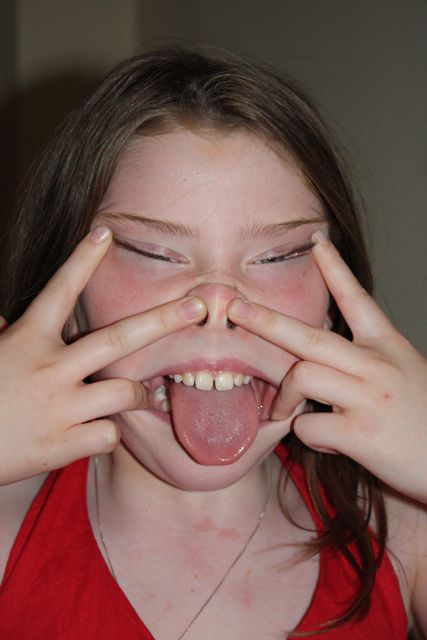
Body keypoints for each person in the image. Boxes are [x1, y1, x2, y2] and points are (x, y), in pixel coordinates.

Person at [0, 46, 425, 640]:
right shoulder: (11, 529)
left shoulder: (399, 531)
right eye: (153, 253)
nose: (218, 304)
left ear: (334, 308)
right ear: (68, 304)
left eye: (279, 256)